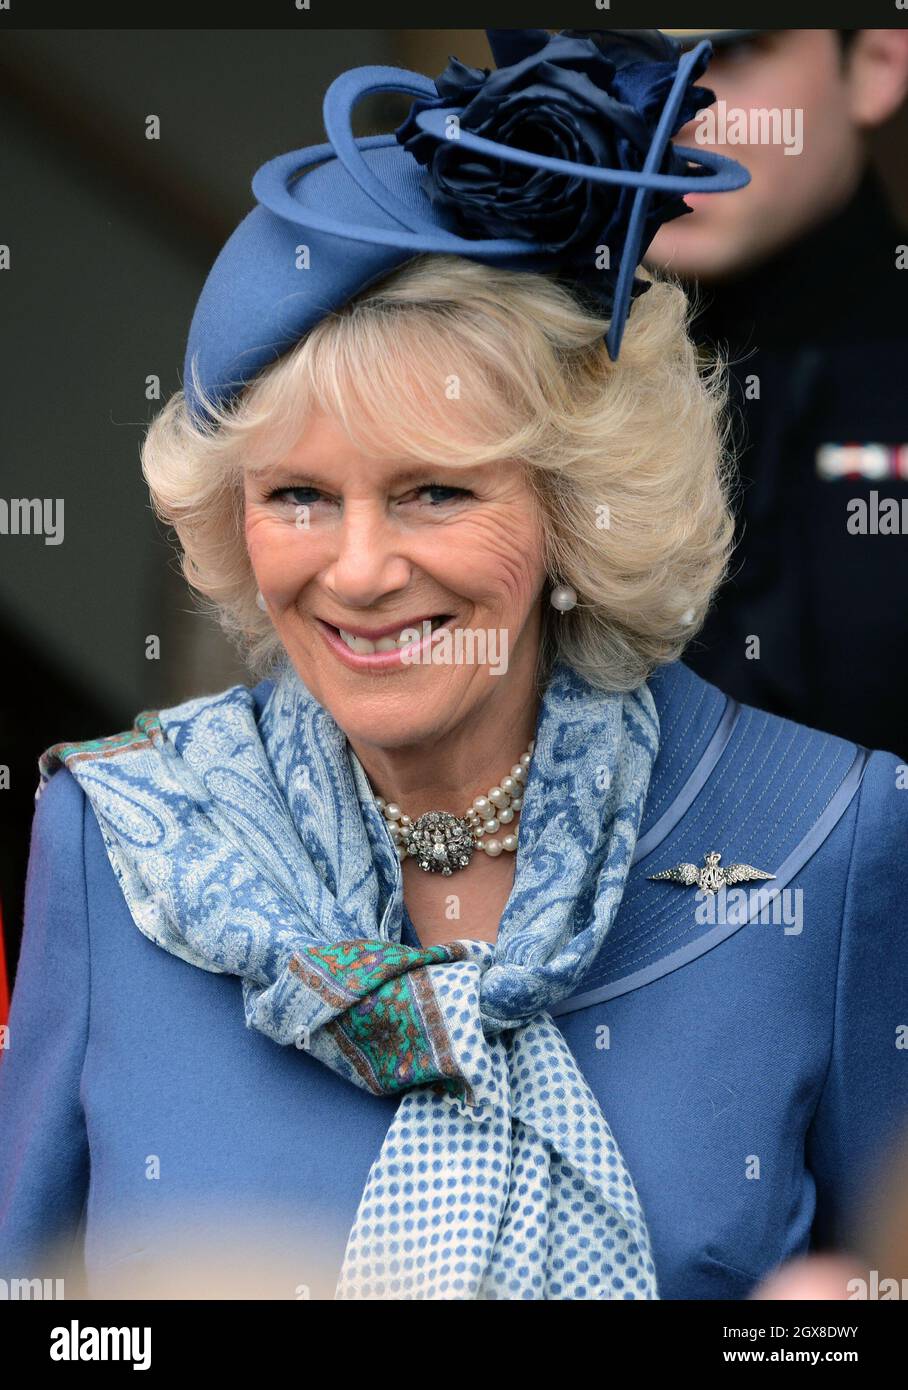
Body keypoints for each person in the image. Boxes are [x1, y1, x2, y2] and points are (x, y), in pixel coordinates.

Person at [0, 27, 906, 1303]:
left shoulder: (823, 832)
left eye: (434, 491)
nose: (360, 570)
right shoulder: (117, 841)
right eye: (300, 495)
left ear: (574, 509)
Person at [648, 28, 908, 759]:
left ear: (877, 64)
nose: (670, 107)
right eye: (622, 59)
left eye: (729, 54)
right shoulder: (505, 387)